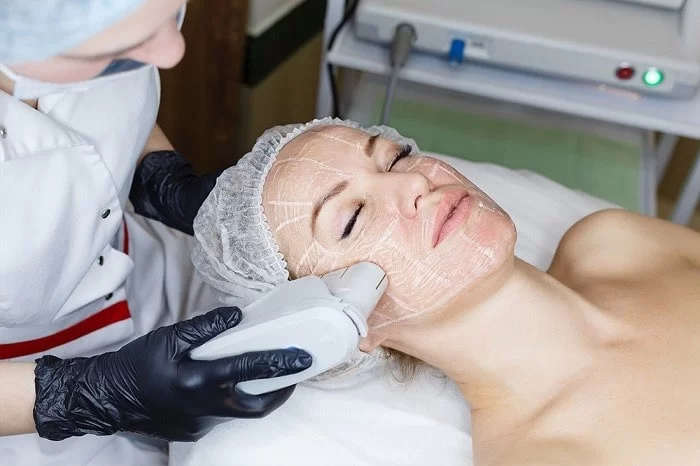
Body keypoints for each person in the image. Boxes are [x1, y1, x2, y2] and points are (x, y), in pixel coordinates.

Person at [193, 117, 700, 465]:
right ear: (336, 319)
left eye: (394, 158)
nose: (413, 184)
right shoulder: (551, 456)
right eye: (352, 218)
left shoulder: (616, 243)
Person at [0, 1, 311, 465]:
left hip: (143, 270)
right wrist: (79, 396)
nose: (173, 51)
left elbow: (96, 106)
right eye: (113, 48)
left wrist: (158, 173)